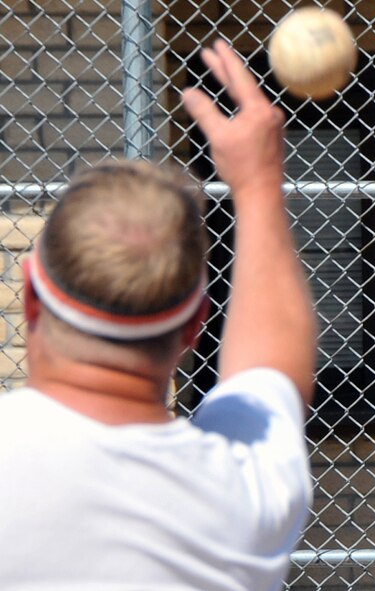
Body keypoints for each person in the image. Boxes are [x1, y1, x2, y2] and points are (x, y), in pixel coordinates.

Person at [0, 41, 317, 591]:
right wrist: (260, 184)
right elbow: (270, 372)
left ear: (30, 295)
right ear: (196, 326)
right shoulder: (245, 491)